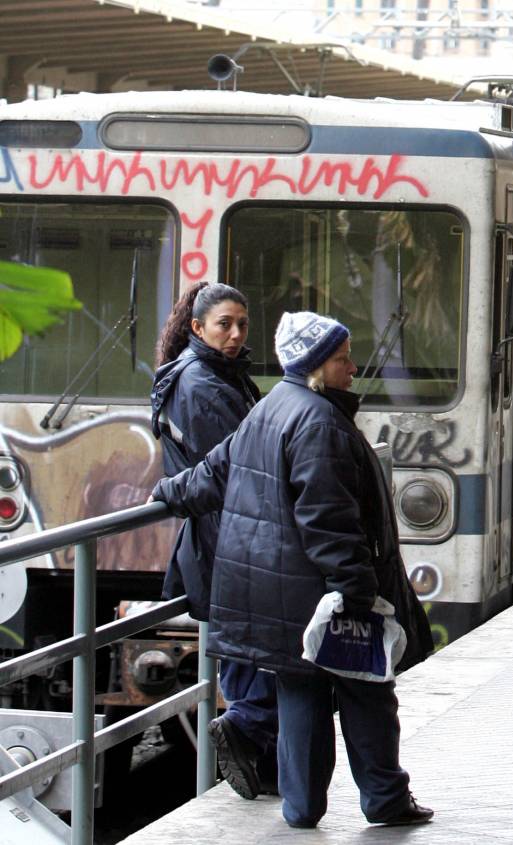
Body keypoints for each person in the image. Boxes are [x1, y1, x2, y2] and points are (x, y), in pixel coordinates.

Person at [152, 311, 435, 829]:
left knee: (301, 693)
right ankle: (386, 799)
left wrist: (166, 493)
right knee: (369, 696)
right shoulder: (320, 423)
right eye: (342, 358)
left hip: (277, 598)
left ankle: (301, 808)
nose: (352, 368)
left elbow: (214, 472)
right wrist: (356, 588)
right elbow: (327, 519)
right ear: (315, 365)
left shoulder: (271, 408)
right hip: (325, 593)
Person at [149, 281, 278, 800]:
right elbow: (235, 465)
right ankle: (244, 730)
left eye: (242, 324)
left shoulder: (219, 375)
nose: (235, 333)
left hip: (231, 534)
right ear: (198, 328)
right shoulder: (202, 384)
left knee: (254, 647)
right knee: (256, 647)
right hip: (232, 537)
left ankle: (256, 752)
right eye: (224, 324)